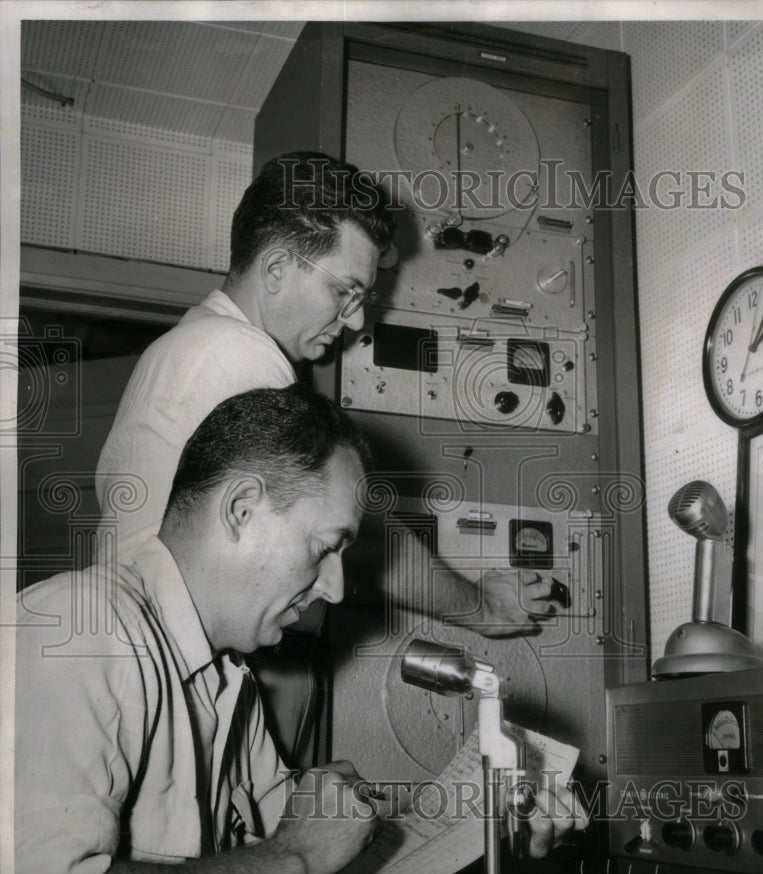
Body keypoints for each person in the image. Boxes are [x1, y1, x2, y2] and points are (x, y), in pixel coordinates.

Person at [15, 385, 587, 874]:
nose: (334, 589)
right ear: (241, 509)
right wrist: (290, 857)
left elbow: (335, 858)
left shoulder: (226, 677)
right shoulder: (81, 634)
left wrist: (490, 831)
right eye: (324, 548)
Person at [95, 152, 561, 638]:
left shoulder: (183, 348)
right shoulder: (239, 356)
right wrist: (480, 608)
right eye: (346, 292)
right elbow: (358, 534)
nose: (356, 321)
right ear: (276, 269)